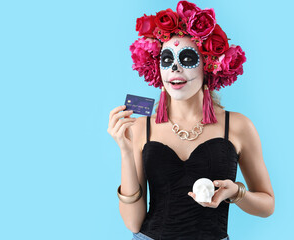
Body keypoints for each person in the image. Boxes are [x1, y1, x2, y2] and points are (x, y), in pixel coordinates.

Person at [107, 1, 275, 239]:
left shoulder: (237, 126)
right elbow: (133, 223)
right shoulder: (141, 127)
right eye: (166, 60)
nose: (175, 68)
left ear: (208, 66)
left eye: (187, 59)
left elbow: (267, 206)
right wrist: (124, 150)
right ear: (158, 70)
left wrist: (236, 193)